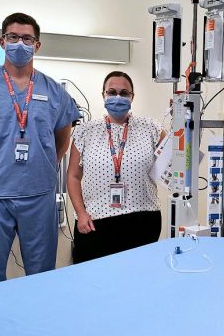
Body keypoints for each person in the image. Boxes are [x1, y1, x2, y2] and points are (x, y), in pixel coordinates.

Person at [0, 12, 80, 286]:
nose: (19, 43)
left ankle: (38, 324)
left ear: (37, 45)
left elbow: (63, 138)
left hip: (38, 194)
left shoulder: (54, 91)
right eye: (13, 37)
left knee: (41, 274)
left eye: (26, 38)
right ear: (2, 41)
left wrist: (43, 167)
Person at [67, 71, 163, 264]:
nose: (117, 97)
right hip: (95, 221)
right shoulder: (85, 131)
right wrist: (81, 213)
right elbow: (73, 176)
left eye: (124, 93)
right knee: (95, 281)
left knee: (137, 280)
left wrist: (180, 119)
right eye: (112, 92)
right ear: (103, 94)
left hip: (143, 219)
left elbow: (176, 159)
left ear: (132, 97)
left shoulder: (151, 128)